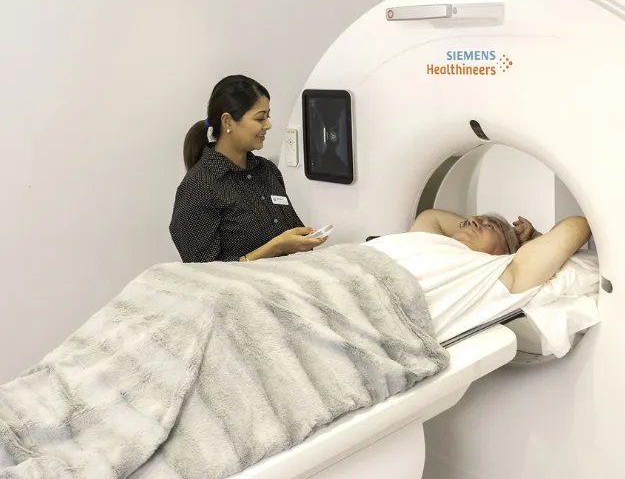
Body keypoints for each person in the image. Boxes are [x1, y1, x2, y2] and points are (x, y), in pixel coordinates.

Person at [365, 209, 592, 341]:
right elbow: (431, 216)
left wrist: (531, 241)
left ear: (507, 252)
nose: (472, 221)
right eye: (467, 222)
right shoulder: (427, 240)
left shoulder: (499, 271)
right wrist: (488, 228)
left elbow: (577, 226)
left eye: (488, 225)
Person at [170, 75, 326, 263]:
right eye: (260, 118)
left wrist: (304, 240)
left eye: (268, 116)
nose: (268, 125)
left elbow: (288, 233)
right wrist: (276, 247)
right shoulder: (198, 187)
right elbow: (204, 274)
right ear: (228, 122)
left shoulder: (267, 171)